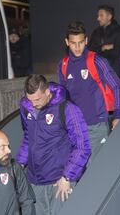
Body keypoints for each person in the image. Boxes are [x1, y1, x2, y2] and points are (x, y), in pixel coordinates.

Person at [16, 74, 91, 215]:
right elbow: (28, 137)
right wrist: (19, 164)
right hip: (35, 182)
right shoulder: (26, 107)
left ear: (47, 92)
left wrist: (67, 176)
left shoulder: (67, 109)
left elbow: (82, 146)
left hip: (59, 182)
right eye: (29, 99)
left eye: (37, 99)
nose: (33, 104)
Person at [57, 21, 120, 162]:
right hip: (75, 130)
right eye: (73, 43)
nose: (77, 47)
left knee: (96, 171)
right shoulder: (63, 65)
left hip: (97, 126)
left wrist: (118, 115)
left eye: (81, 42)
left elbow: (118, 86)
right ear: (66, 42)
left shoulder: (97, 61)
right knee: (77, 172)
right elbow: (63, 98)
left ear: (86, 40)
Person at [88, 5, 120, 77]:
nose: (98, 18)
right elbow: (90, 50)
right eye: (98, 16)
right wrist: (103, 47)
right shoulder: (96, 32)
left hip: (115, 73)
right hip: (98, 73)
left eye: (101, 15)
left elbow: (119, 51)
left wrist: (100, 51)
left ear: (109, 17)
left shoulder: (119, 31)